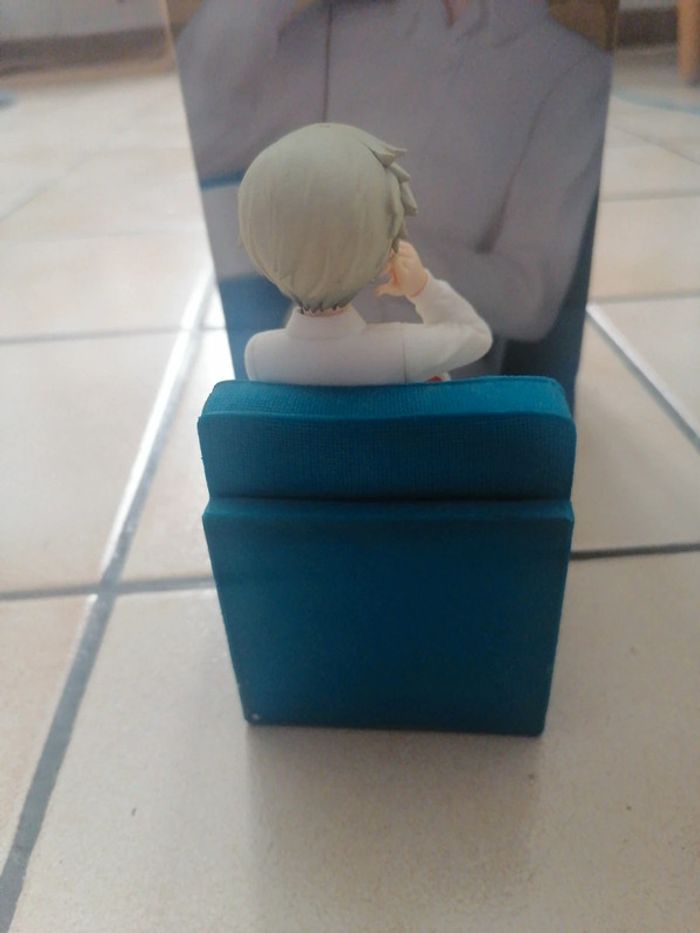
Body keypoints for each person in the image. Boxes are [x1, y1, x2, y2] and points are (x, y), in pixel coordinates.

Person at [176, 0, 612, 395]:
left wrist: (390, 256)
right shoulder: (343, 30)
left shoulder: (570, 71)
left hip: (437, 392)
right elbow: (206, 143)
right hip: (312, 365)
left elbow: (531, 299)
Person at [239, 123, 492, 384]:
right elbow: (475, 334)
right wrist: (422, 287)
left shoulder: (259, 355)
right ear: (382, 248)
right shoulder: (402, 350)